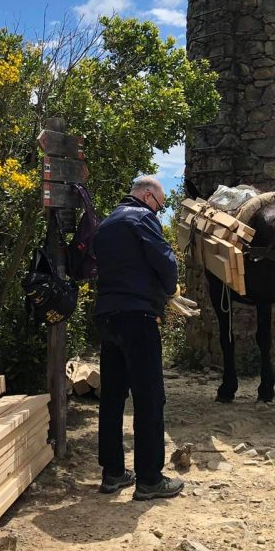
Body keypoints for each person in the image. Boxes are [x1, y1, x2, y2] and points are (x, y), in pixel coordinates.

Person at [91, 174, 185, 501]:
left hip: (107, 316)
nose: (159, 212)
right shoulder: (143, 218)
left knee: (113, 397)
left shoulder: (104, 225)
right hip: (137, 317)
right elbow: (166, 263)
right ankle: (149, 479)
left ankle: (113, 473)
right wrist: (168, 291)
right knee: (149, 397)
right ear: (147, 197)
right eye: (160, 206)